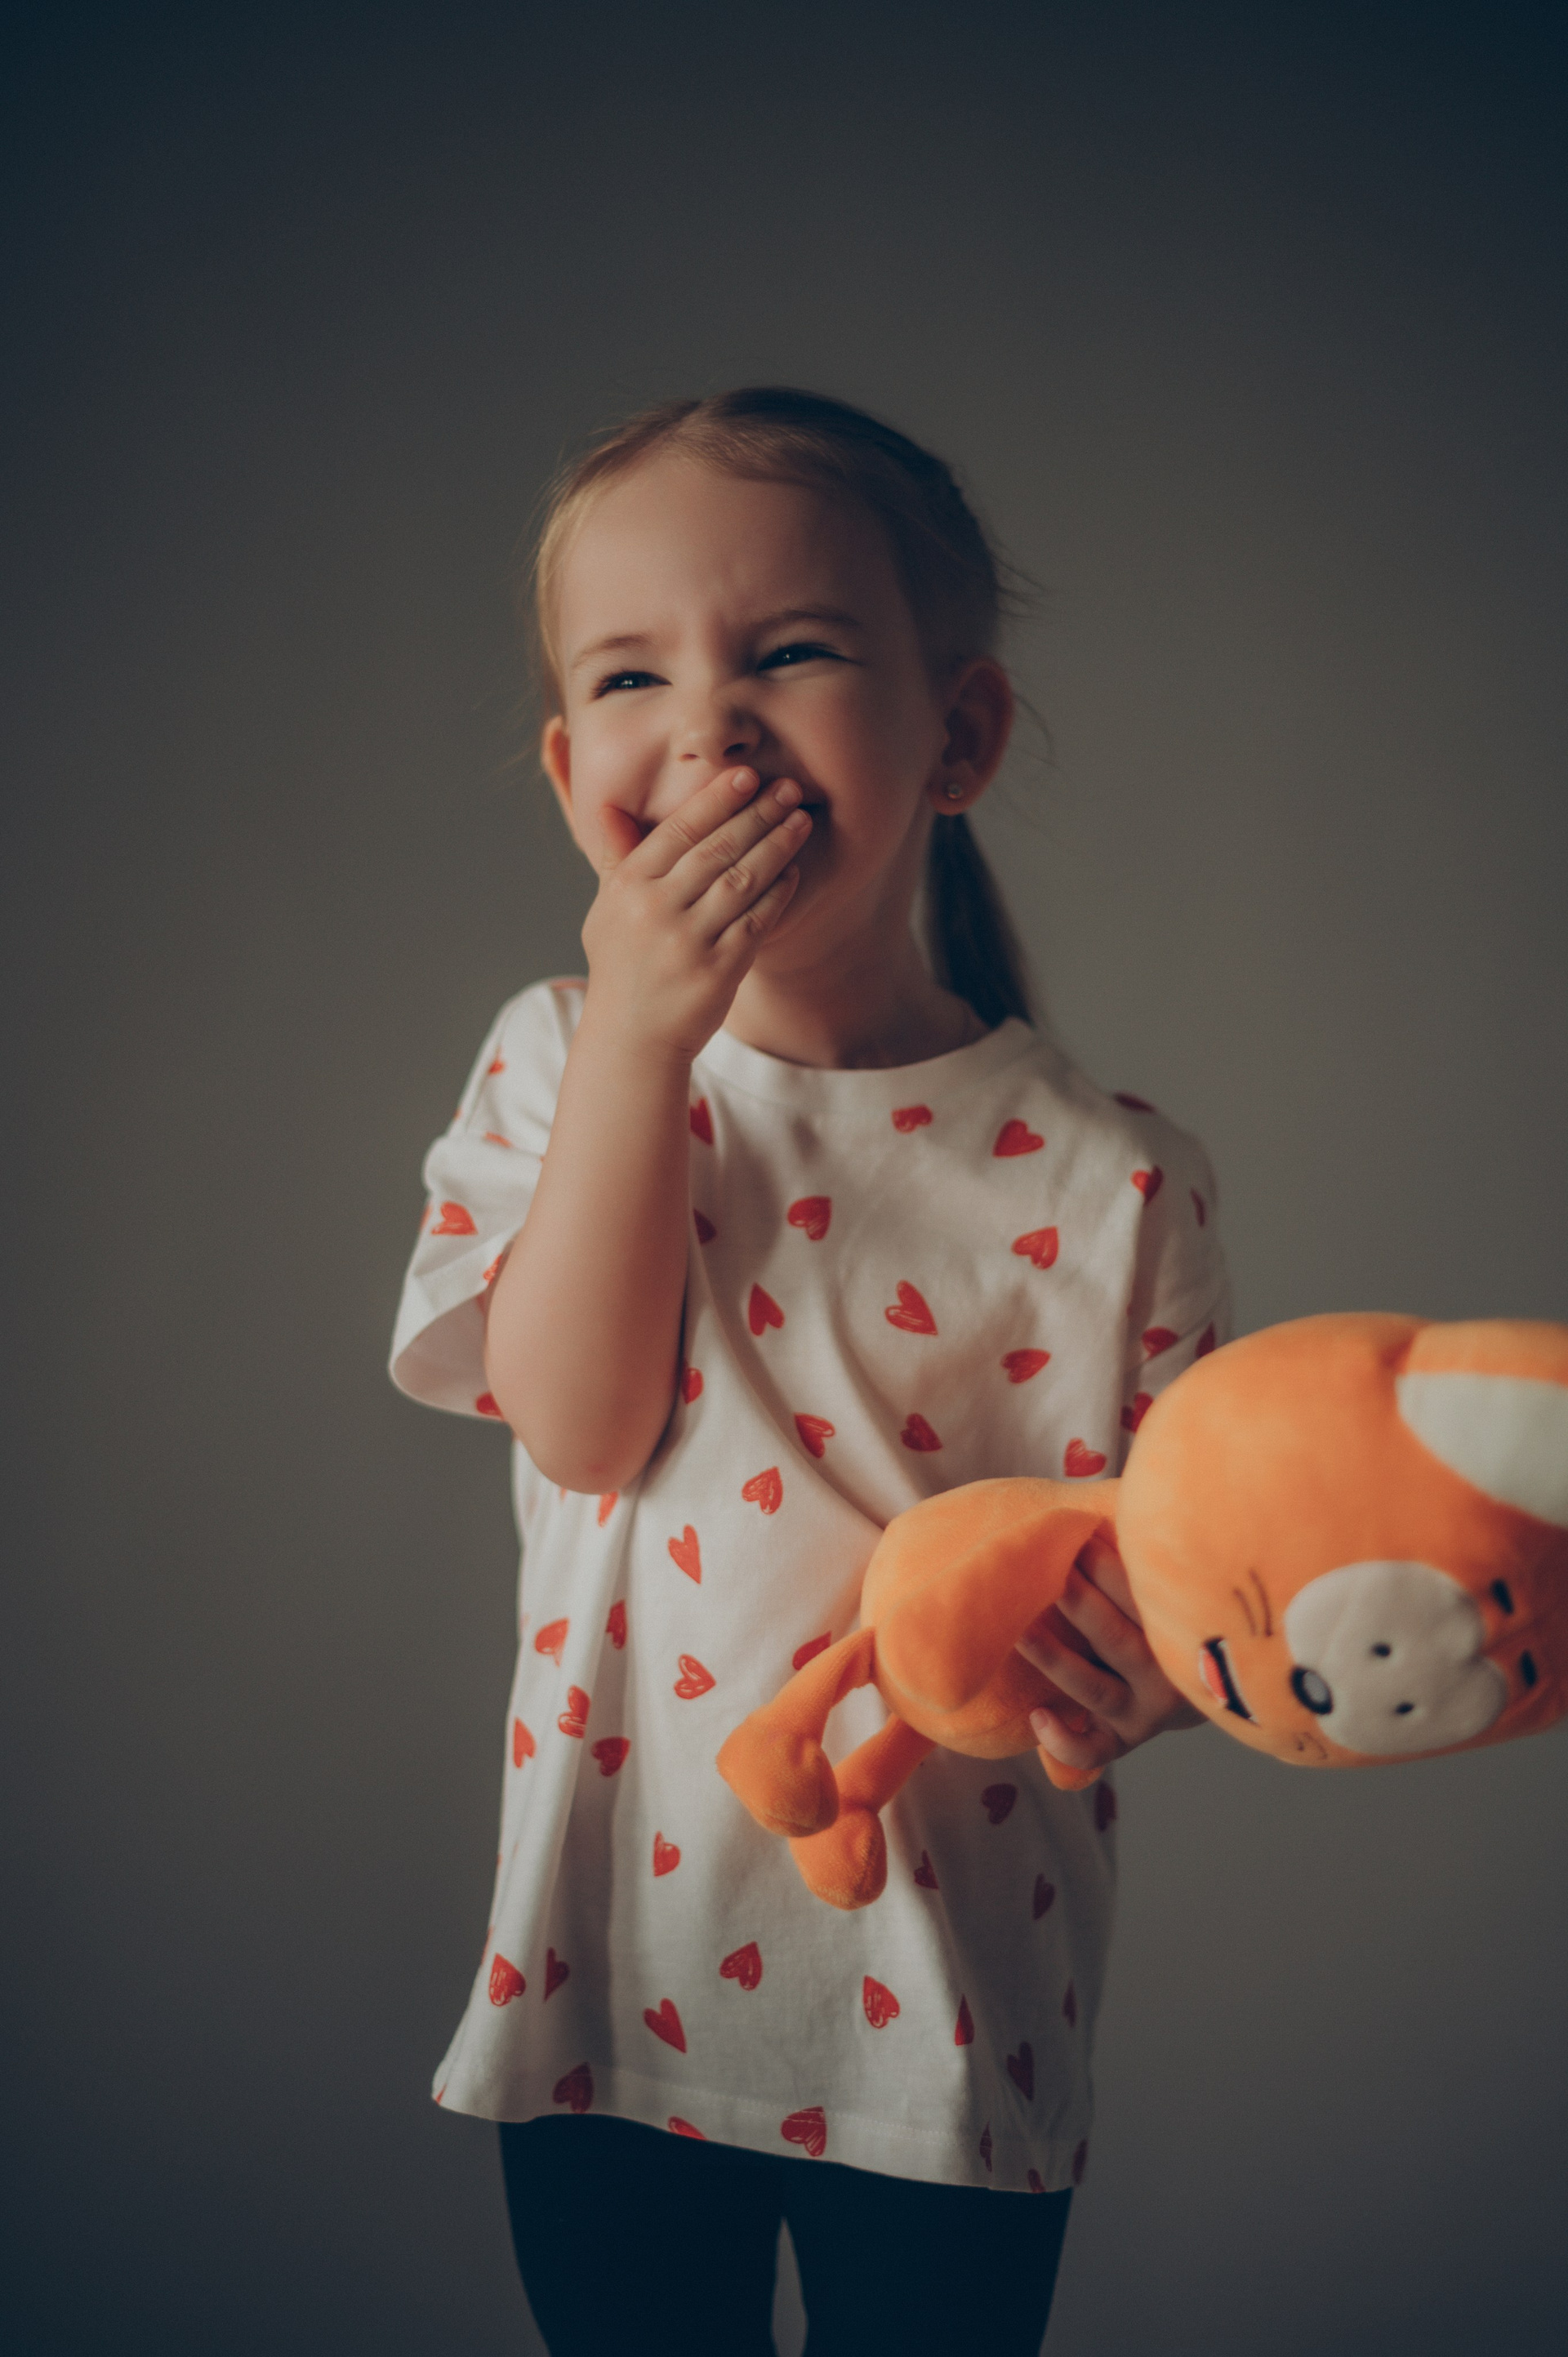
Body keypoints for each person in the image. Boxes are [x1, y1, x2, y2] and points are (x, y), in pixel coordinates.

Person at [390, 387, 1230, 2355]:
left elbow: (1195, 1573)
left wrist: (1159, 1671)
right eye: (631, 676)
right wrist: (639, 1045)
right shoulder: (555, 1059)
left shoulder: (1115, 1177)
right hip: (618, 1970)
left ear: (960, 736)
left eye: (790, 652)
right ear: (571, 769)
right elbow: (582, 1426)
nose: (708, 728)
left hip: (953, 2004)